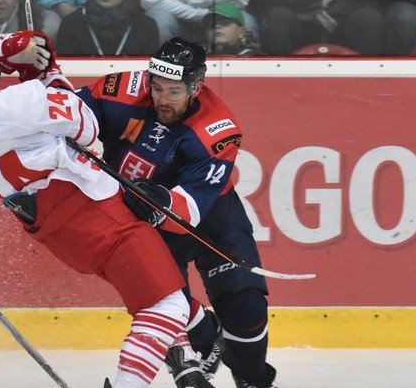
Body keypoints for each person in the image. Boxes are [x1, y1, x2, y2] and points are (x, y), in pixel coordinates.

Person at [0, 32, 213, 388]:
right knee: (168, 304)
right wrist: (42, 71)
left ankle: (184, 360)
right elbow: (85, 124)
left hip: (54, 229)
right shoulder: (18, 105)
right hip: (92, 211)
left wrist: (20, 62)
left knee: (145, 285)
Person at [77, 37, 276, 388]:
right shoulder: (120, 89)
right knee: (172, 309)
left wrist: (159, 201)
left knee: (246, 311)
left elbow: (194, 207)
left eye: (173, 91)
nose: (161, 99)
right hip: (145, 222)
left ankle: (255, 380)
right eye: (156, 87)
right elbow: (68, 110)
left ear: (196, 87)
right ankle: (202, 341)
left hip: (211, 217)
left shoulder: (217, 131)